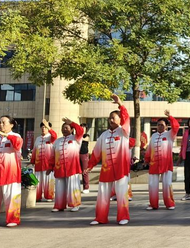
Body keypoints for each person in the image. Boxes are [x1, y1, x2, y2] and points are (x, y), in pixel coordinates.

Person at [86, 94, 132, 225]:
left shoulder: (124, 132)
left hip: (121, 169)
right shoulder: (103, 135)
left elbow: (126, 117)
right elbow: (96, 153)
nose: (111, 120)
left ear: (119, 119)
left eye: (113, 117)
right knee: (102, 195)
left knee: (122, 194)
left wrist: (120, 104)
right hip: (106, 170)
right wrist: (89, 166)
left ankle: (123, 217)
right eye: (109, 118)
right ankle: (100, 218)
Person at [0, 115, 23, 227]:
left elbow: (18, 144)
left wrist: (6, 135)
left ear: (11, 125)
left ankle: (13, 220)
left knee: (11, 197)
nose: (1, 124)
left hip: (10, 173)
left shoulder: (16, 136)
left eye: (4, 122)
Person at [144, 110, 179, 211]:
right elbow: (149, 149)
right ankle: (153, 204)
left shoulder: (170, 135)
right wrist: (146, 159)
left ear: (166, 126)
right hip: (154, 164)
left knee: (167, 184)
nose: (160, 126)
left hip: (166, 164)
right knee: (152, 185)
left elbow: (176, 126)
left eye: (162, 125)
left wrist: (170, 117)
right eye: (158, 125)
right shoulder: (153, 136)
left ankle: (169, 203)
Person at [52, 118, 84, 212]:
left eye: (67, 127)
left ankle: (75, 204)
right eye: (63, 128)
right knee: (59, 188)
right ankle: (59, 205)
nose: (64, 129)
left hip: (72, 167)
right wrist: (50, 167)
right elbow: (52, 155)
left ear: (72, 129)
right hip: (59, 168)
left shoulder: (76, 138)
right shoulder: (57, 141)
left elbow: (81, 130)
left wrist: (72, 123)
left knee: (73, 186)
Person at [32, 120, 57, 202]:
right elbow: (34, 150)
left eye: (45, 127)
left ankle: (49, 196)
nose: (43, 129)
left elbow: (54, 135)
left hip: (48, 165)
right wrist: (32, 161)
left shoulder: (51, 137)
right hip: (38, 164)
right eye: (42, 127)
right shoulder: (37, 139)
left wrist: (49, 127)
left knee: (49, 181)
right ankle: (37, 196)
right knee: (38, 182)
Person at [79, 125, 91, 193]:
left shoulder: (86, 136)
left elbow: (85, 139)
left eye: (83, 128)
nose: (82, 129)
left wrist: (78, 137)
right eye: (81, 128)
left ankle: (86, 187)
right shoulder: (76, 135)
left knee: (85, 171)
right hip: (77, 154)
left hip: (84, 154)